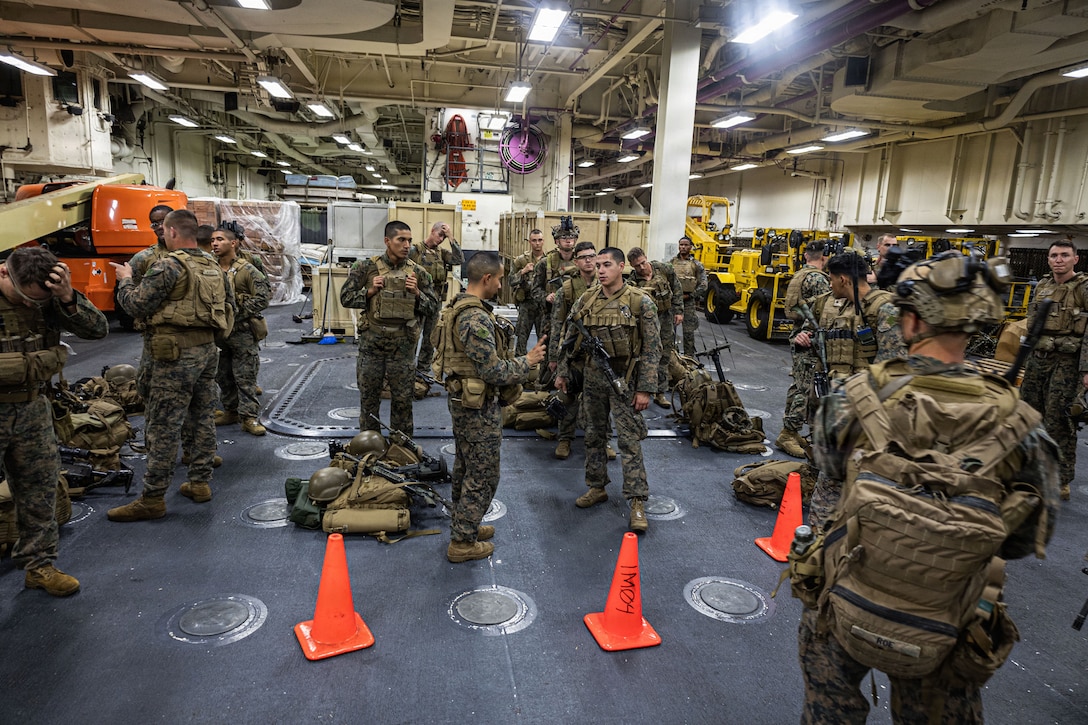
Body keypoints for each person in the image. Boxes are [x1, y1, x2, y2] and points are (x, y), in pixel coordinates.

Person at [799, 251, 1059, 723]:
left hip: (847, 595)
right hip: (948, 616)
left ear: (912, 319)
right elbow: (1025, 537)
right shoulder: (1020, 425)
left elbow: (828, 471)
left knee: (829, 711)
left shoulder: (854, 397)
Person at [107, 209, 235, 520]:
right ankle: (200, 482)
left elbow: (136, 305)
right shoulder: (213, 266)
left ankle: (152, 498)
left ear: (172, 232)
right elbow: (229, 305)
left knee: (164, 425)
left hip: (172, 355)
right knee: (202, 417)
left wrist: (125, 281)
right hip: (206, 351)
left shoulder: (168, 265)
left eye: (163, 230)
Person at [0, 247, 108, 595]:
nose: (34, 306)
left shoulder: (49, 300)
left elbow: (97, 330)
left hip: (32, 409)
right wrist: (36, 362)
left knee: (39, 490)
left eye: (40, 300)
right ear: (5, 274)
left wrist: (68, 298)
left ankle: (39, 565)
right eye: (26, 298)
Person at [434, 252, 546, 563]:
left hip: (464, 400)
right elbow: (492, 371)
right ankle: (462, 542)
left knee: (466, 466)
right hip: (477, 406)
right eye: (498, 279)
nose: (500, 285)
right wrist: (529, 361)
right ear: (487, 279)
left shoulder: (458, 307)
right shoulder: (475, 317)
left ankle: (464, 525)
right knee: (483, 473)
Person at [556, 247, 660, 533]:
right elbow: (569, 336)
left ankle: (637, 501)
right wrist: (564, 372)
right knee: (593, 435)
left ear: (622, 267)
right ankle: (596, 486)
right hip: (593, 379)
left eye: (606, 265)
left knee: (629, 441)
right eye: (597, 265)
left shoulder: (640, 302)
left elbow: (653, 350)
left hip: (624, 381)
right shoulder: (587, 299)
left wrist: (645, 389)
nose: (600, 270)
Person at [340, 220, 438, 437]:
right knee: (369, 400)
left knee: (403, 401)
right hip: (371, 347)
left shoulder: (419, 273)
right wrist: (369, 291)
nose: (406, 245)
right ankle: (369, 447)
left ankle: (401, 449)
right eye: (401, 240)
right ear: (387, 241)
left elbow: (433, 308)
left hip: (403, 349)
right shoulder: (365, 268)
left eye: (409, 240)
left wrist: (418, 294)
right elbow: (345, 297)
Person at [1020, 238, 1088, 501]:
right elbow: (1032, 325)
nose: (1058, 260)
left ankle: (1061, 478)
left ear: (1075, 259)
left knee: (1059, 420)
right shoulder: (1043, 286)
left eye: (1064, 255)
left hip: (1067, 362)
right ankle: (1031, 470)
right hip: (1038, 358)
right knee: (1029, 415)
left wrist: (1085, 369)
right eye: (1054, 256)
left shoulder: (1083, 287)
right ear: (1048, 259)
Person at [549, 242, 615, 461]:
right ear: (575, 262)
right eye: (584, 257)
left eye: (592, 256)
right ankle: (565, 439)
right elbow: (558, 325)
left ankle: (604, 440)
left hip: (599, 355)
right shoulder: (566, 290)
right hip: (574, 353)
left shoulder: (607, 285)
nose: (589, 261)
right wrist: (556, 359)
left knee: (601, 401)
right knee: (567, 396)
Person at [795, 251, 904, 382]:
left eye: (831, 279)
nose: (830, 285)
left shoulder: (885, 309)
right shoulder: (836, 306)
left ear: (842, 280)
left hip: (865, 393)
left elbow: (892, 365)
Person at [211, 223, 270, 436]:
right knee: (222, 374)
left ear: (233, 243)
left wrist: (237, 314)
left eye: (220, 240)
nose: (215, 244)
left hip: (242, 332)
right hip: (218, 333)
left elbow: (264, 296)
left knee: (245, 377)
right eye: (213, 240)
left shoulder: (247, 268)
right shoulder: (210, 268)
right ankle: (231, 411)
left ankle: (249, 417)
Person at [775, 243, 831, 458]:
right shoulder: (818, 279)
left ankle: (791, 429)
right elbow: (822, 311)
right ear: (824, 258)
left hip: (798, 333)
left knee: (798, 384)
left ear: (806, 255)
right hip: (808, 337)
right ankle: (788, 433)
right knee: (806, 388)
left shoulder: (799, 275)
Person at [627, 247, 683, 408]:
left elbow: (677, 289)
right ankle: (641, 390)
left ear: (646, 257)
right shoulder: (632, 281)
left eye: (643, 263)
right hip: (646, 321)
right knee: (645, 354)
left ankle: (660, 393)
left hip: (665, 318)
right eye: (637, 266)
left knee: (665, 354)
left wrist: (678, 311)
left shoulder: (664, 269)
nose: (641, 268)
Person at [410, 221, 464, 373]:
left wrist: (451, 237)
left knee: (430, 339)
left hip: (434, 303)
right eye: (440, 235)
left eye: (443, 237)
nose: (441, 239)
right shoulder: (415, 251)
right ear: (432, 231)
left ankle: (422, 371)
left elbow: (458, 259)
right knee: (412, 336)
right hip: (417, 302)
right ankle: (407, 370)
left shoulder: (442, 253)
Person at [531, 219, 579, 341]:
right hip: (550, 316)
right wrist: (546, 297)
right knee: (546, 350)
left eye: (571, 238)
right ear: (557, 241)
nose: (568, 241)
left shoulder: (581, 263)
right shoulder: (545, 263)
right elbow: (535, 290)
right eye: (564, 238)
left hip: (575, 315)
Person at [510, 229, 546, 355]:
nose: (537, 243)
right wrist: (523, 271)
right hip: (526, 304)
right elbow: (510, 280)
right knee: (521, 338)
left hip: (543, 305)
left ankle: (542, 370)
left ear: (543, 241)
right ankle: (521, 369)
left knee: (544, 338)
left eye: (540, 240)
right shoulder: (521, 260)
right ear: (530, 242)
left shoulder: (549, 260)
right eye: (534, 240)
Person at [670, 235, 708, 356]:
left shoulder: (696, 265)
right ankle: (672, 358)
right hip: (673, 302)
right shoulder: (671, 263)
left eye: (686, 245)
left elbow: (703, 285)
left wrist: (691, 296)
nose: (683, 247)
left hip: (689, 303)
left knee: (688, 333)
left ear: (691, 247)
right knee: (669, 332)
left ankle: (689, 360)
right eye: (681, 244)